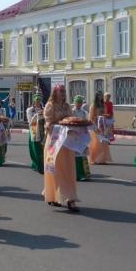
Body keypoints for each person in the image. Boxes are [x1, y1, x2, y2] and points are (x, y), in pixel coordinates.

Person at [43, 84, 80, 212]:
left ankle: (70, 198)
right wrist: (59, 125)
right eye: (61, 91)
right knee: (55, 170)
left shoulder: (67, 106)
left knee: (69, 170)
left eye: (64, 91)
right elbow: (48, 124)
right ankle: (54, 196)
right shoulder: (50, 106)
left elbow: (71, 120)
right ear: (55, 92)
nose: (64, 93)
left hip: (66, 142)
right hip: (54, 141)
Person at [89, 91, 113, 165]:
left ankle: (102, 159)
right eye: (99, 96)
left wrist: (106, 116)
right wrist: (97, 119)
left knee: (103, 143)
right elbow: (91, 116)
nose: (101, 97)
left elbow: (104, 114)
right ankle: (95, 159)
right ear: (96, 97)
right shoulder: (93, 105)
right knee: (96, 143)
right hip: (96, 126)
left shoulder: (103, 105)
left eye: (101, 96)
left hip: (103, 126)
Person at [72, 95, 91, 181]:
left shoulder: (84, 113)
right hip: (74, 135)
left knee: (83, 154)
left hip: (82, 135)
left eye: (80, 102)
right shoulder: (72, 112)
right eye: (78, 102)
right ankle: (76, 174)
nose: (79, 104)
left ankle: (84, 173)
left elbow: (87, 122)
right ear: (75, 102)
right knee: (75, 154)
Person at [26, 94, 45, 174]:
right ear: (34, 101)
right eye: (37, 100)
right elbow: (30, 121)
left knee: (42, 149)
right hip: (34, 130)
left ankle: (42, 165)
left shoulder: (43, 109)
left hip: (42, 131)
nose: (38, 101)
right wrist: (38, 115)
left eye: (39, 100)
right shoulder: (30, 110)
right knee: (35, 148)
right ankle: (37, 165)